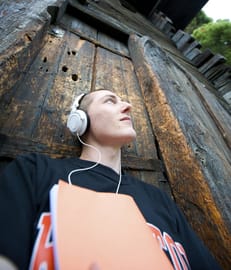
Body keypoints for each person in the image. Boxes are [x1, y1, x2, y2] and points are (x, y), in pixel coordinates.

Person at [0, 89, 222, 270]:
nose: (127, 106)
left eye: (123, 101)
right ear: (80, 121)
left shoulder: (159, 199)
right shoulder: (35, 170)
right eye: (109, 101)